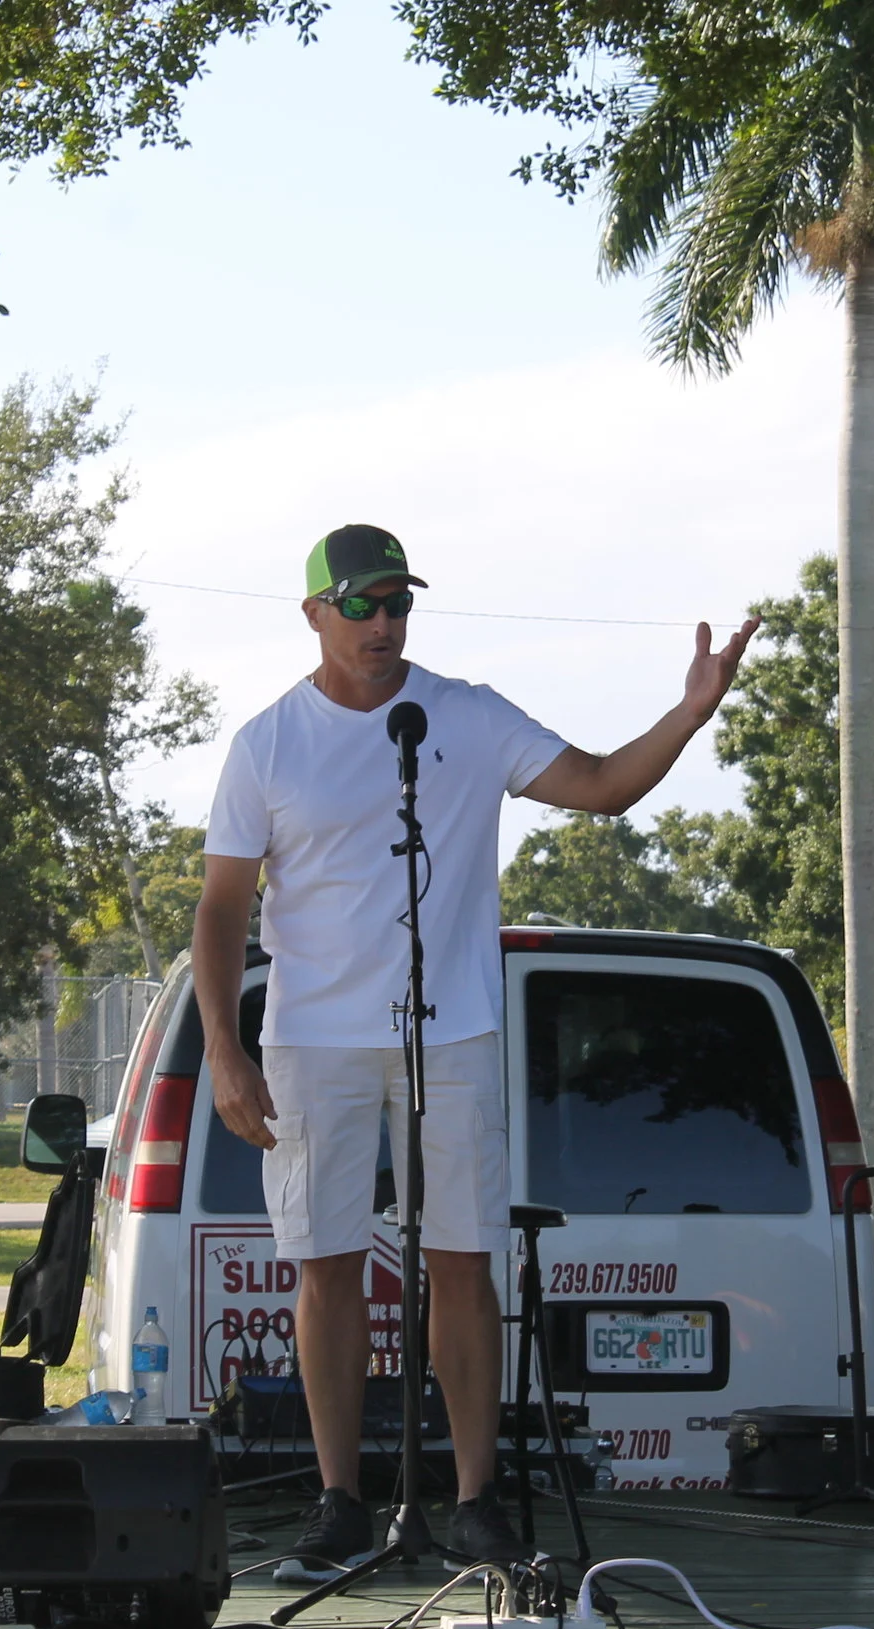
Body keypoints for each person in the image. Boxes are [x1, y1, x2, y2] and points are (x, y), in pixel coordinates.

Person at [193, 524, 756, 1571]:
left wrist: (689, 712)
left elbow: (600, 785)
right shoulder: (266, 743)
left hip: (450, 1028)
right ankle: (338, 1498)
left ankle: (472, 1496)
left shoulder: (463, 712)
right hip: (313, 1038)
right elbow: (222, 907)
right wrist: (226, 1049)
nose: (384, 622)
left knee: (462, 1259)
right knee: (326, 1265)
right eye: (360, 604)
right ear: (313, 611)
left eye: (398, 602)